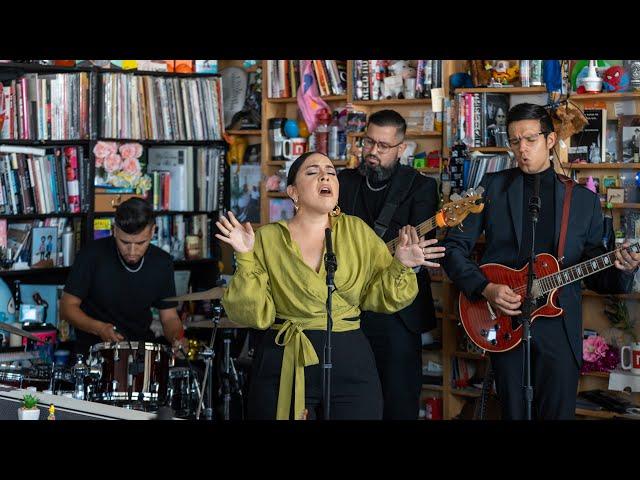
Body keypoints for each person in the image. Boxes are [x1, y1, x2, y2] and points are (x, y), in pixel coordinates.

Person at [442, 103, 640, 420]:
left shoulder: (584, 200)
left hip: (560, 329)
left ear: (549, 140)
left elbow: (596, 274)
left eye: (530, 139)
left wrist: (622, 269)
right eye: (515, 140)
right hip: (506, 321)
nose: (522, 149)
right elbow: (453, 248)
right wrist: (485, 288)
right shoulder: (490, 188)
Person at [218, 151, 444, 420]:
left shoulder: (358, 232)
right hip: (285, 360)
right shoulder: (267, 239)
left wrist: (402, 266)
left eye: (331, 172)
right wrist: (244, 257)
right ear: (293, 192)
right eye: (312, 172)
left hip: (350, 359)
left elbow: (380, 297)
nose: (325, 175)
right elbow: (252, 314)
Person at [337, 109, 444, 419]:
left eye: (383, 146)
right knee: (350, 402)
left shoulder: (420, 187)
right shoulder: (344, 181)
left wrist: (408, 260)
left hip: (398, 313)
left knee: (398, 403)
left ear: (402, 148)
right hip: (348, 307)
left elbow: (422, 252)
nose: (373, 152)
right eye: (369, 142)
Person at [60, 197, 187, 358]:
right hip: (94, 353)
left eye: (141, 243)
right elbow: (67, 307)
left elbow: (169, 317)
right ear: (114, 230)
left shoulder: (162, 262)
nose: (132, 251)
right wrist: (99, 328)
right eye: (125, 242)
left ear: (153, 231)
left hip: (141, 353)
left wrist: (177, 338)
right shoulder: (91, 255)